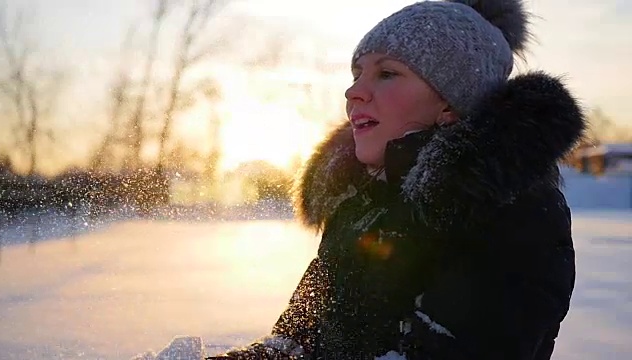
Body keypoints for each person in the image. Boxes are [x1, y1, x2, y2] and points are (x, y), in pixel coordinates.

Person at [203, 0, 586, 359]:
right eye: (357, 74)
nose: (353, 92)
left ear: (450, 104)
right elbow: (299, 341)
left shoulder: (511, 211)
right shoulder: (360, 201)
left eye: (387, 73)